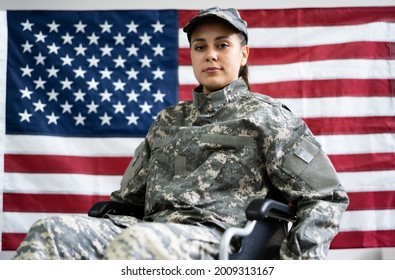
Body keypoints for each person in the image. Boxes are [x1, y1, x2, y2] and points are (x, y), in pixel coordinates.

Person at [13, 7, 349, 260]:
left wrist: (299, 264)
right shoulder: (167, 121)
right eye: (200, 47)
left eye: (223, 44)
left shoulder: (269, 117)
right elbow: (126, 202)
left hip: (221, 238)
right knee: (51, 232)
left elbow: (326, 197)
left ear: (243, 53)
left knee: (138, 245)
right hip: (148, 229)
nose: (211, 54)